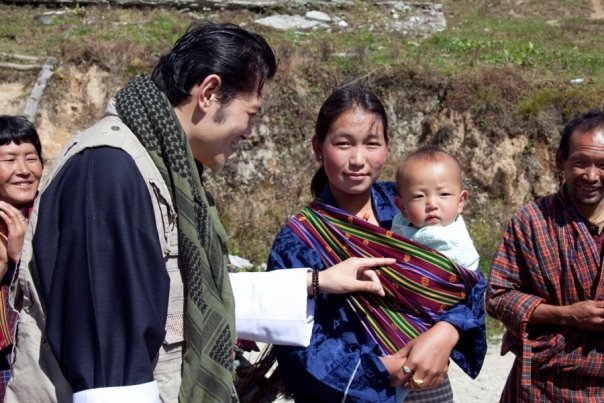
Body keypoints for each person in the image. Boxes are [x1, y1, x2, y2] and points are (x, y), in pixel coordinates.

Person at [5, 22, 391, 403]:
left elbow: (186, 296)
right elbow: (110, 364)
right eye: (251, 114)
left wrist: (316, 282)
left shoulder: (160, 168)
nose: (249, 132)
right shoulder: (110, 172)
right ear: (209, 93)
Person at [266, 84, 486, 403]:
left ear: (387, 146)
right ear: (318, 147)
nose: (358, 159)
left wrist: (447, 331)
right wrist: (382, 369)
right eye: (343, 143)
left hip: (427, 386)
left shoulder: (407, 204)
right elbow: (295, 344)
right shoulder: (299, 239)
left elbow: (465, 279)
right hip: (349, 394)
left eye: (372, 143)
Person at [486, 109, 604, 402]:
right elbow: (498, 296)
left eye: (603, 165)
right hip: (542, 386)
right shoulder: (531, 221)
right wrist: (566, 315)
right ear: (560, 160)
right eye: (580, 162)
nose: (591, 176)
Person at [0, 115, 43, 402]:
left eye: (31, 158)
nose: (24, 170)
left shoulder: (54, 214)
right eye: (9, 160)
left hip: (39, 362)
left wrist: (22, 259)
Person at [392, 146, 480, 271]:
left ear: (460, 202)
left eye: (444, 194)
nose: (432, 204)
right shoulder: (399, 226)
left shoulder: (456, 242)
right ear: (402, 207)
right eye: (419, 196)